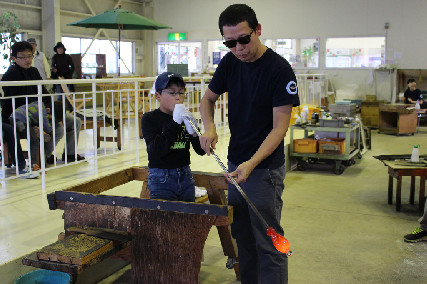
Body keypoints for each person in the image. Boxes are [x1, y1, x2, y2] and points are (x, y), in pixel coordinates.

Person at [199, 4, 300, 283]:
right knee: (242, 235)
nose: (239, 48)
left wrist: (252, 164)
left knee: (269, 239)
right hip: (236, 163)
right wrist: (209, 127)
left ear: (257, 30)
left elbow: (280, 128)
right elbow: (207, 98)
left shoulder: (279, 69)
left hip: (263, 168)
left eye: (244, 39)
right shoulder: (230, 62)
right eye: (230, 43)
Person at [1, 41, 84, 163]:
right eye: (22, 57)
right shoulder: (10, 75)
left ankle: (69, 154)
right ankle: (45, 156)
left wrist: (48, 106)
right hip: (23, 116)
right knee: (57, 129)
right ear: (14, 58)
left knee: (75, 121)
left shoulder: (34, 71)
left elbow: (45, 94)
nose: (27, 60)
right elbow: (14, 102)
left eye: (29, 56)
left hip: (41, 111)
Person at [141, 72, 205, 202]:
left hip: (186, 175)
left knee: (187, 217)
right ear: (158, 95)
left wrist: (194, 132)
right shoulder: (149, 118)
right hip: (161, 177)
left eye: (181, 93)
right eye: (172, 93)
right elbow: (155, 151)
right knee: (165, 218)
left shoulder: (185, 117)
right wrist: (175, 123)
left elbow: (201, 151)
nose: (178, 97)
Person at [12, 101, 63, 168]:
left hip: (14, 119)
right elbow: (46, 126)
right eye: (52, 117)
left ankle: (35, 129)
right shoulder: (43, 111)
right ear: (48, 110)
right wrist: (50, 131)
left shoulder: (36, 105)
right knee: (34, 140)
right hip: (21, 121)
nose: (50, 118)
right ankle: (33, 165)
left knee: (33, 136)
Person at [51, 41, 75, 111]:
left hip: (67, 79)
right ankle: (60, 111)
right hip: (59, 79)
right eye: (58, 48)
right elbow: (52, 65)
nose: (60, 50)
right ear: (56, 49)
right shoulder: (54, 57)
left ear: (63, 49)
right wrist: (54, 69)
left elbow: (72, 66)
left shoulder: (68, 57)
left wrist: (69, 75)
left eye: (61, 48)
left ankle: (71, 109)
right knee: (59, 96)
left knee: (68, 96)